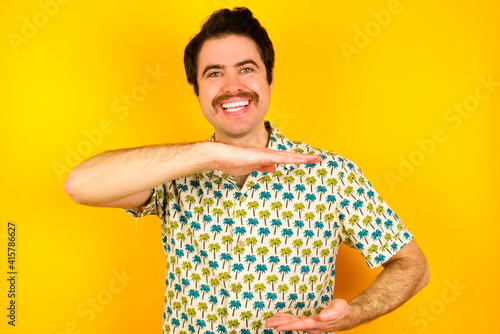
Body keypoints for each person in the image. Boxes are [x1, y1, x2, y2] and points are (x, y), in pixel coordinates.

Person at [65, 7, 429, 334]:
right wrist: (205, 155)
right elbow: (80, 186)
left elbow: (413, 266)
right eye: (214, 73)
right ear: (196, 90)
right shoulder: (173, 173)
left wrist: (354, 314)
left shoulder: (330, 173)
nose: (232, 86)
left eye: (247, 69)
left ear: (269, 79)